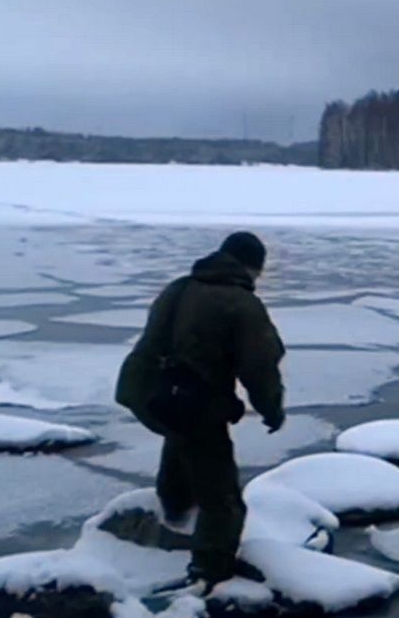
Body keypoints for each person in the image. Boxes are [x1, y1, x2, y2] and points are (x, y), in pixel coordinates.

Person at [115, 231, 285, 586]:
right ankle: (209, 574)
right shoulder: (240, 303)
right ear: (252, 267)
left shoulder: (179, 287)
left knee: (182, 438)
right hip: (190, 401)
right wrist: (271, 409)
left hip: (146, 392)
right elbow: (259, 365)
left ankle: (174, 511)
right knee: (222, 500)